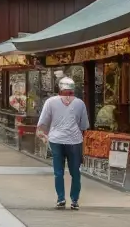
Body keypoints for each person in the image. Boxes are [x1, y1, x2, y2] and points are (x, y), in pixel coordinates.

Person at [36, 77, 90, 210]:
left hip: (56, 140)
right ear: (73, 88)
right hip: (74, 141)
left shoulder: (50, 102)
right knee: (75, 172)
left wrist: (44, 134)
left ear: (60, 88)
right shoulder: (80, 103)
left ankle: (60, 199)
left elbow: (43, 122)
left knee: (58, 172)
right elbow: (84, 125)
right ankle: (74, 201)